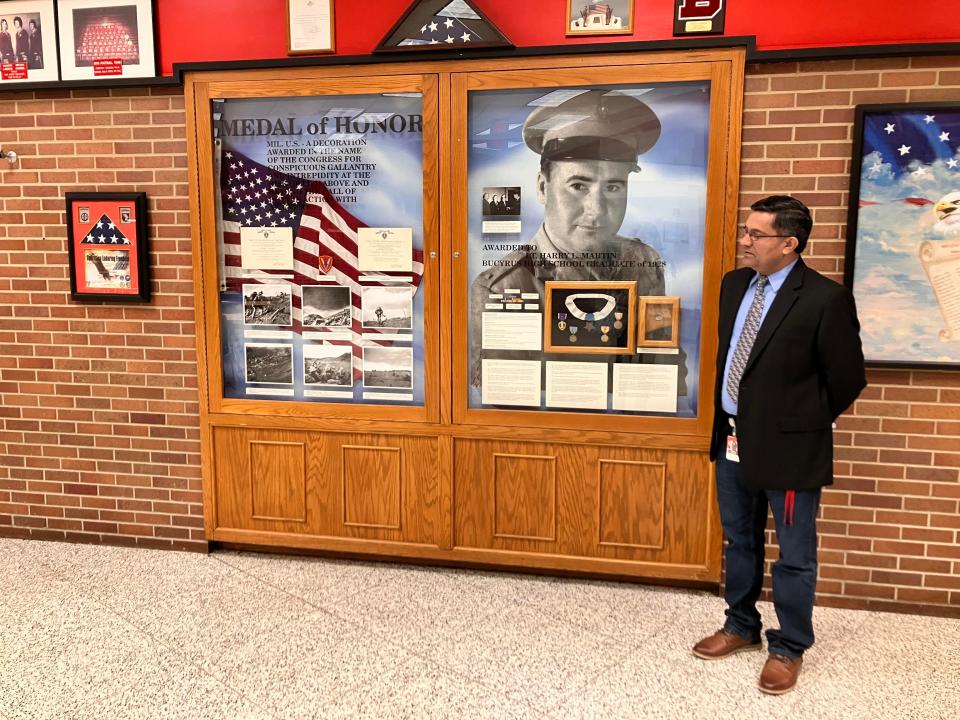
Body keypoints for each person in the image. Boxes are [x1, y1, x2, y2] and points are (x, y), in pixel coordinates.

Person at [693, 195, 866, 695]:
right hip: (731, 439)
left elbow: (848, 379)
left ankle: (789, 646)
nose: (743, 242)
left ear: (789, 244)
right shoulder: (733, 286)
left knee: (793, 553)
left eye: (756, 235)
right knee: (739, 539)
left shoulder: (824, 299)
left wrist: (798, 424)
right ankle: (740, 625)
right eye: (745, 232)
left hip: (790, 450)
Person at [470, 89, 678, 387]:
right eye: (579, 185)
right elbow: (504, 397)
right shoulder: (504, 286)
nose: (596, 210)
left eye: (614, 187)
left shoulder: (643, 261)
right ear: (543, 188)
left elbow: (655, 361)